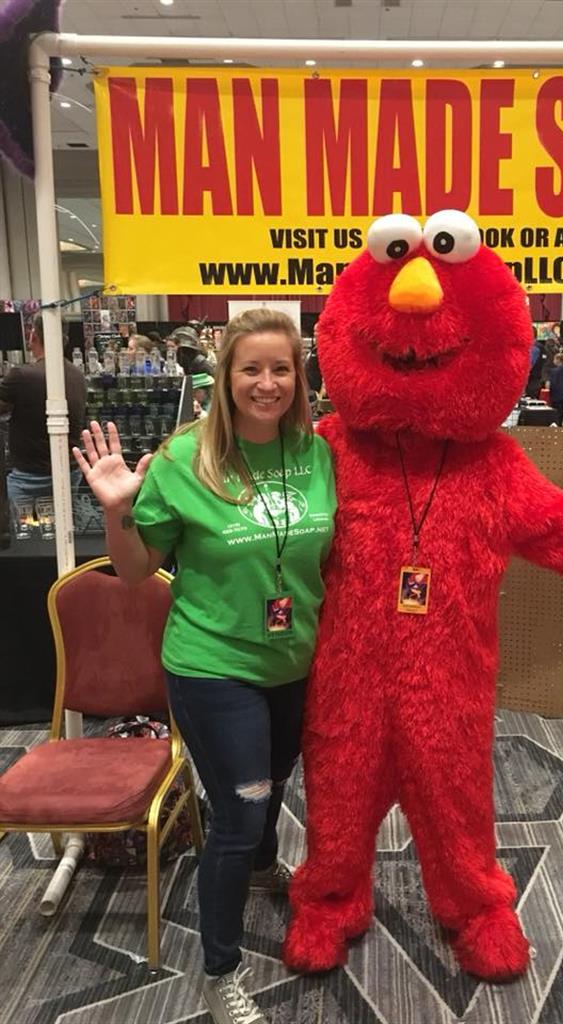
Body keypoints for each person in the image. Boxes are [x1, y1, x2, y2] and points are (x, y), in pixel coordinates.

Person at [73, 308, 337, 1024]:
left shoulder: (317, 453)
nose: (266, 383)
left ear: (299, 377)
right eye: (251, 368)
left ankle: (262, 868)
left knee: (274, 780)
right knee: (238, 813)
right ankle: (220, 971)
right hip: (213, 665)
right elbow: (136, 572)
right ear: (224, 377)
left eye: (281, 368)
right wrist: (119, 511)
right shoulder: (184, 459)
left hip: (294, 658)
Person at [0, 313, 86, 515]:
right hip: (69, 471)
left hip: (29, 476)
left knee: (26, 531)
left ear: (33, 336)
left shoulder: (22, 375)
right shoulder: (77, 375)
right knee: (63, 527)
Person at [548, 352, 563, 426]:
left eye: (554, 359)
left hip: (555, 392)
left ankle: (555, 423)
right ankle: (560, 423)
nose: (553, 361)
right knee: (561, 409)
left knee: (555, 409)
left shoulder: (554, 371)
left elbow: (553, 382)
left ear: (558, 360)